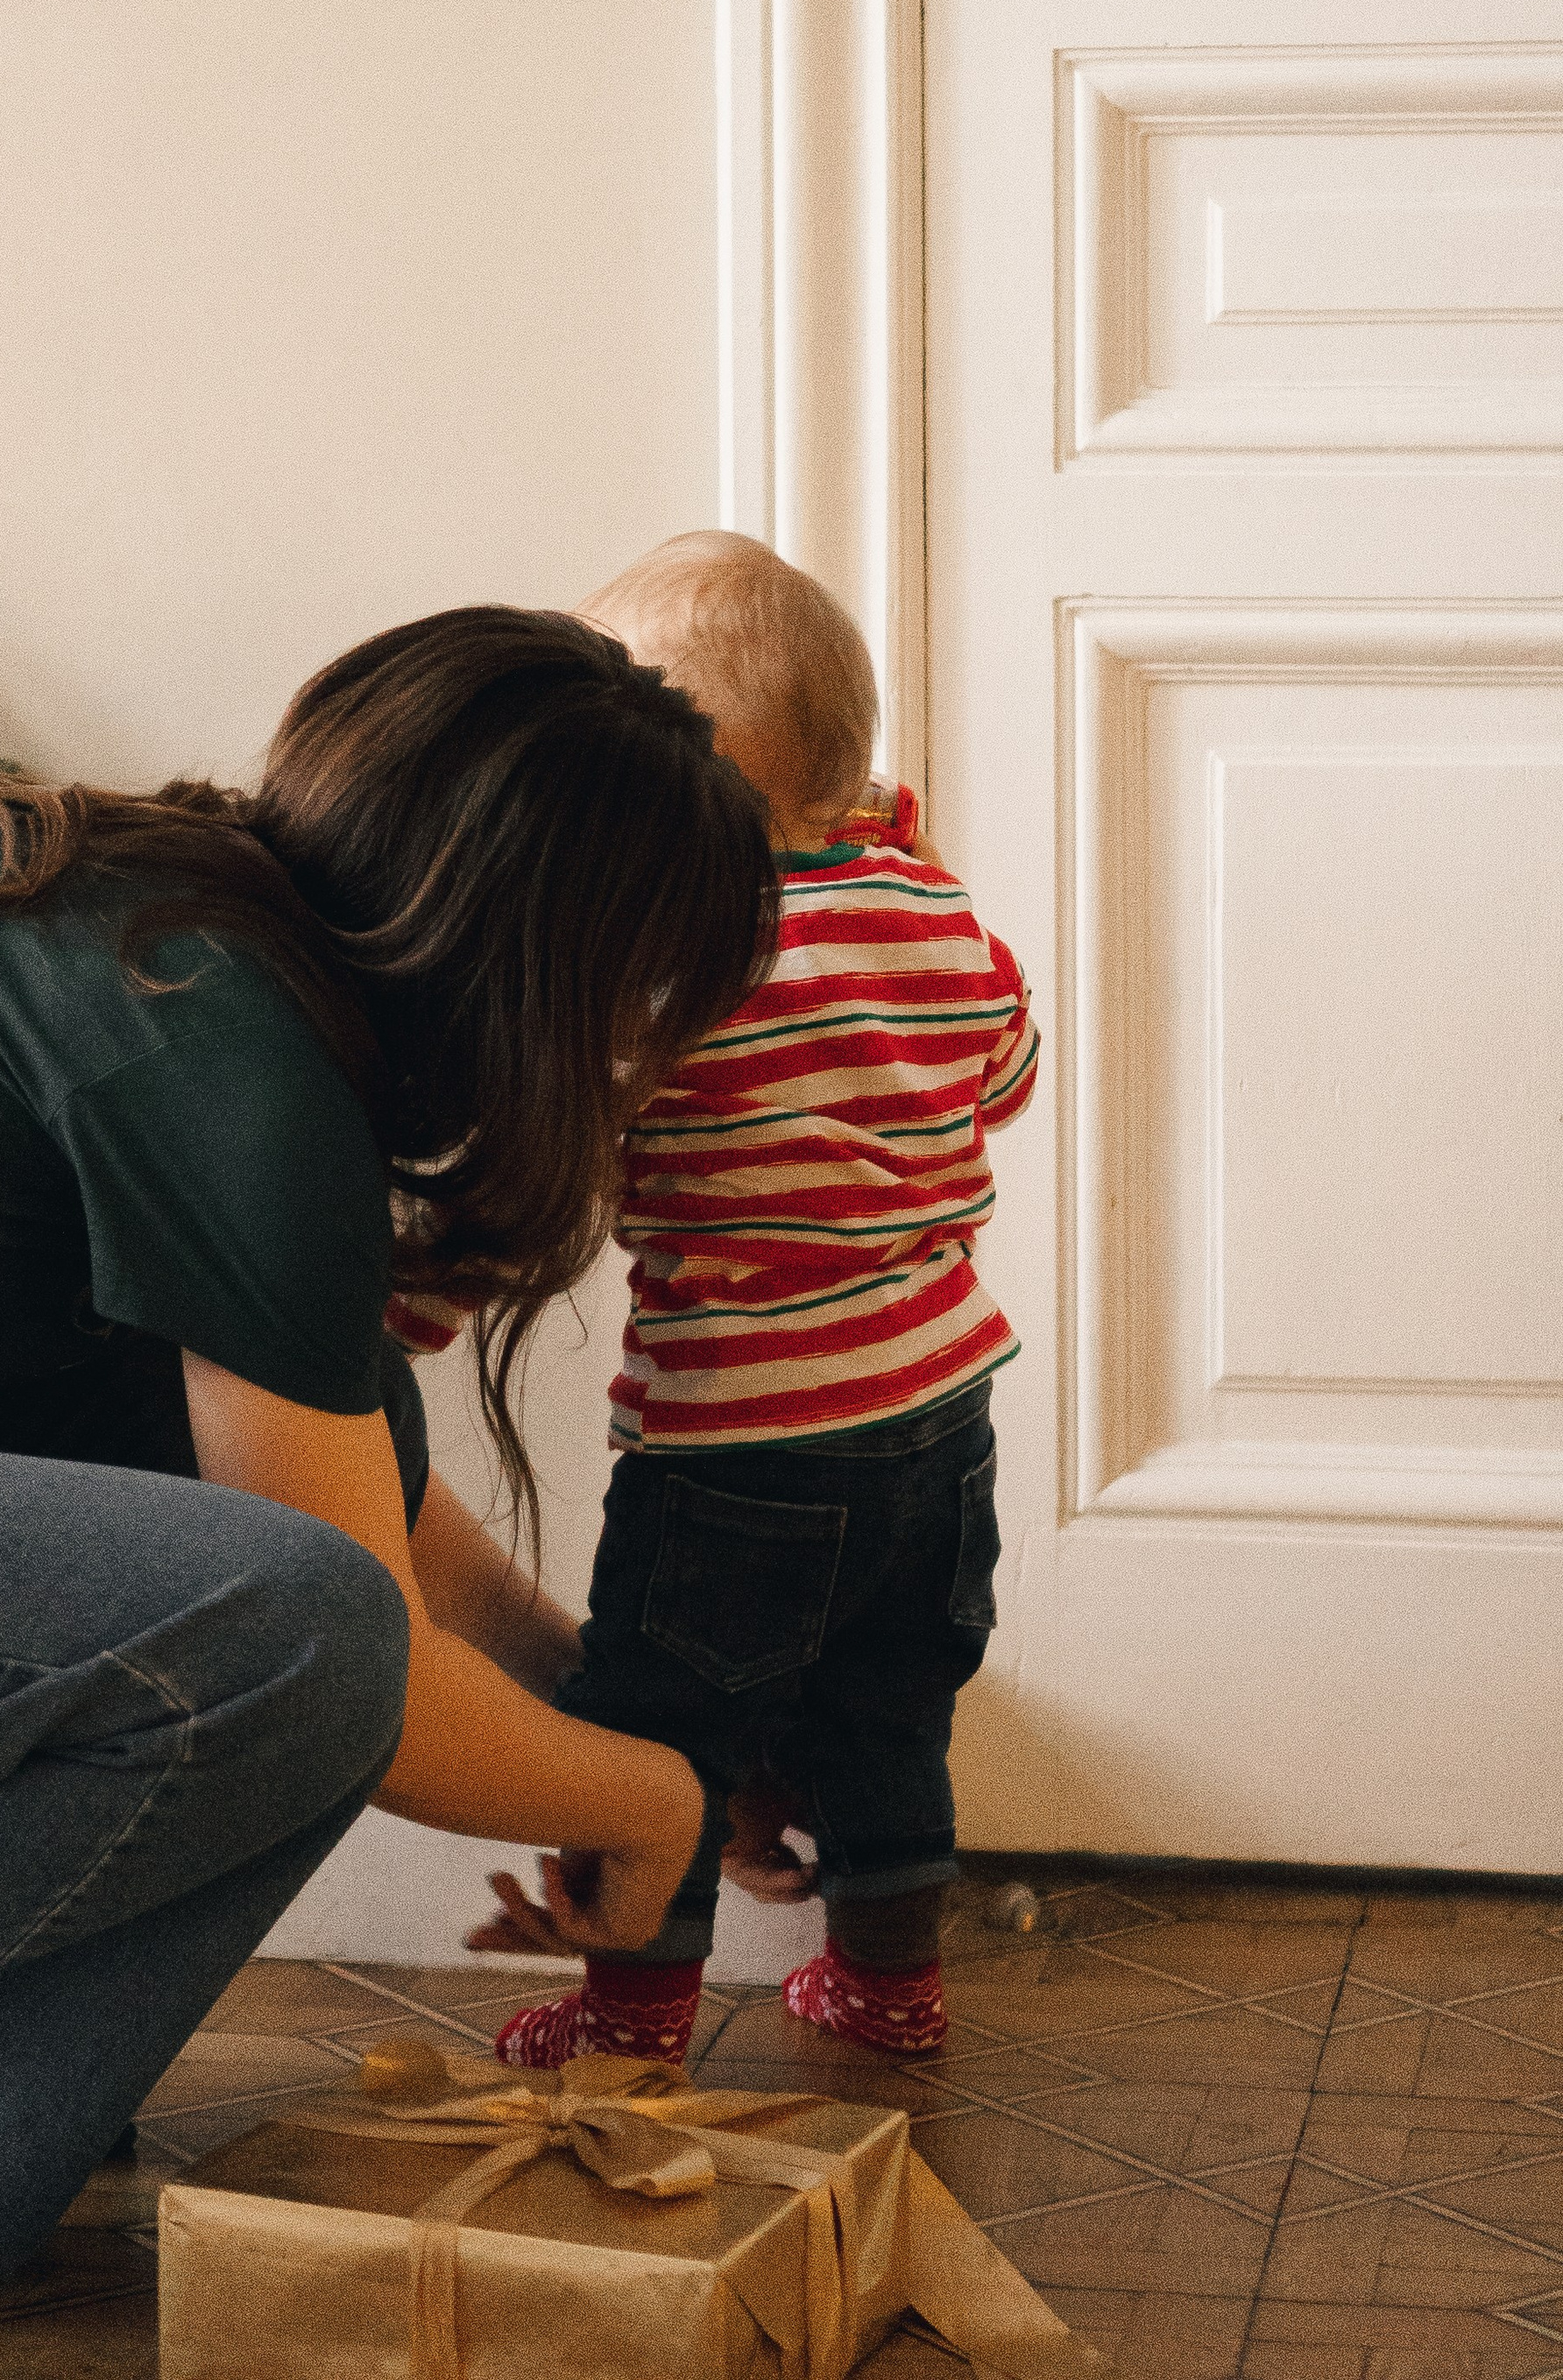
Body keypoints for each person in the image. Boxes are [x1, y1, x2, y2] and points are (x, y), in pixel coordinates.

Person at [0, 607, 778, 2304]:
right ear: (546, 966)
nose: (637, 1067)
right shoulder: (219, 1050)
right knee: (286, 1635)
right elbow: (353, 1660)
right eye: (637, 1011)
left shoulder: (156, 919)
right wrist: (654, 1805)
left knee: (257, 1493)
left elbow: (357, 1480)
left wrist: (606, 1696)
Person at [414, 533, 1038, 2066]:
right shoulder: (939, 909)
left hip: (739, 1441)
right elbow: (1005, 1076)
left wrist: (419, 1286)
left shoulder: (662, 953)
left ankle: (630, 2016)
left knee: (654, 1726)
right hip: (939, 1414)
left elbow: (558, 1157)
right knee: (892, 1713)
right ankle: (890, 1987)